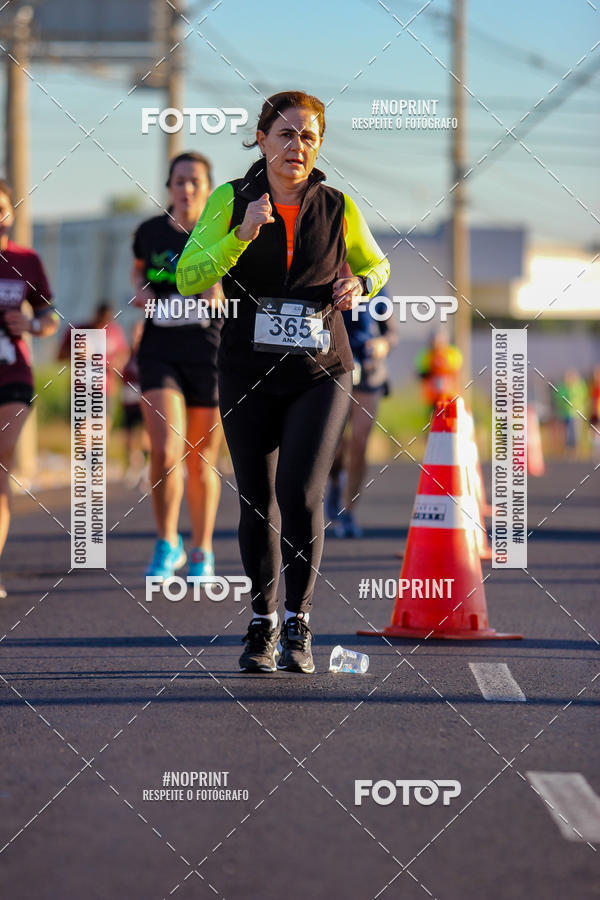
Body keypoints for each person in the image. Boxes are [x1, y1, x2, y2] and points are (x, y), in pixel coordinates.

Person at [176, 91, 390, 673]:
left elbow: (376, 264)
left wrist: (361, 287)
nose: (297, 146)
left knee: (299, 493)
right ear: (263, 138)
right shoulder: (231, 199)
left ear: (318, 146)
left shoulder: (339, 205)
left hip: (321, 370)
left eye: (309, 137)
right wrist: (240, 235)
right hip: (247, 369)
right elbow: (189, 277)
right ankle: (263, 620)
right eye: (287, 133)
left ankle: (300, 620)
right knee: (258, 498)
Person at [132, 152, 224, 581]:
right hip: (160, 349)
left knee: (200, 458)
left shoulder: (222, 231)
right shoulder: (150, 232)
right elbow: (137, 275)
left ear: (208, 189)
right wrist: (142, 294)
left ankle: (202, 550)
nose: (186, 189)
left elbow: (242, 283)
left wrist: (220, 289)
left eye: (195, 182)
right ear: (169, 186)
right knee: (167, 451)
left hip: (210, 352)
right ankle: (167, 542)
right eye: (179, 181)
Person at [0, 179, 59, 598]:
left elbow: (49, 317)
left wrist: (31, 325)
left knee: (1, 461)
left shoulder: (25, 260)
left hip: (12, 374)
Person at [326, 281, 398, 537]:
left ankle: (348, 511)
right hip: (335, 367)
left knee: (359, 442)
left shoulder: (376, 284)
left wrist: (383, 345)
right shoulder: (327, 276)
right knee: (334, 444)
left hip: (369, 371)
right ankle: (334, 481)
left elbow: (391, 334)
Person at [58, 299, 129, 430]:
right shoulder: (77, 330)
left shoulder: (115, 332)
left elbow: (123, 356)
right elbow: (59, 356)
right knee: (82, 432)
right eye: (100, 321)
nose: (102, 326)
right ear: (95, 315)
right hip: (81, 388)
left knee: (102, 430)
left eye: (106, 323)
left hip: (104, 389)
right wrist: (77, 353)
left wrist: (113, 364)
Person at [121, 321, 148, 488]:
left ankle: (146, 467)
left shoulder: (148, 354)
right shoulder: (126, 355)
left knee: (146, 436)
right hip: (128, 400)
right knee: (129, 437)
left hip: (144, 400)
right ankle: (133, 466)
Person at [414, 331, 462, 415]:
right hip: (433, 396)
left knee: (450, 418)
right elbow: (422, 373)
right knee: (434, 416)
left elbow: (456, 372)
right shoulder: (427, 355)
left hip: (450, 395)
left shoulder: (452, 354)